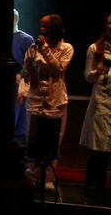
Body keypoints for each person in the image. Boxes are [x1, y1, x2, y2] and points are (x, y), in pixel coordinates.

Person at [19, 14, 74, 191]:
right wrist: (23, 87)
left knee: (53, 141)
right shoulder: (33, 48)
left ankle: (48, 178)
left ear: (55, 29)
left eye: (45, 26)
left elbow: (58, 70)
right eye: (41, 26)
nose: (41, 29)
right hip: (35, 100)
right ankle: (33, 174)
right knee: (32, 139)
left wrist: (44, 49)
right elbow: (25, 73)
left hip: (55, 101)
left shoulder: (66, 48)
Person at [79, 12, 111, 192]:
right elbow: (87, 76)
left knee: (107, 146)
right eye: (110, 23)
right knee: (98, 146)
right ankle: (92, 185)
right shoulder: (95, 48)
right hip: (101, 102)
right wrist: (97, 71)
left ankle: (100, 186)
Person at [13, 8, 34, 146]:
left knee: (20, 120)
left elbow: (32, 65)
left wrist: (22, 78)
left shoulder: (25, 39)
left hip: (19, 87)